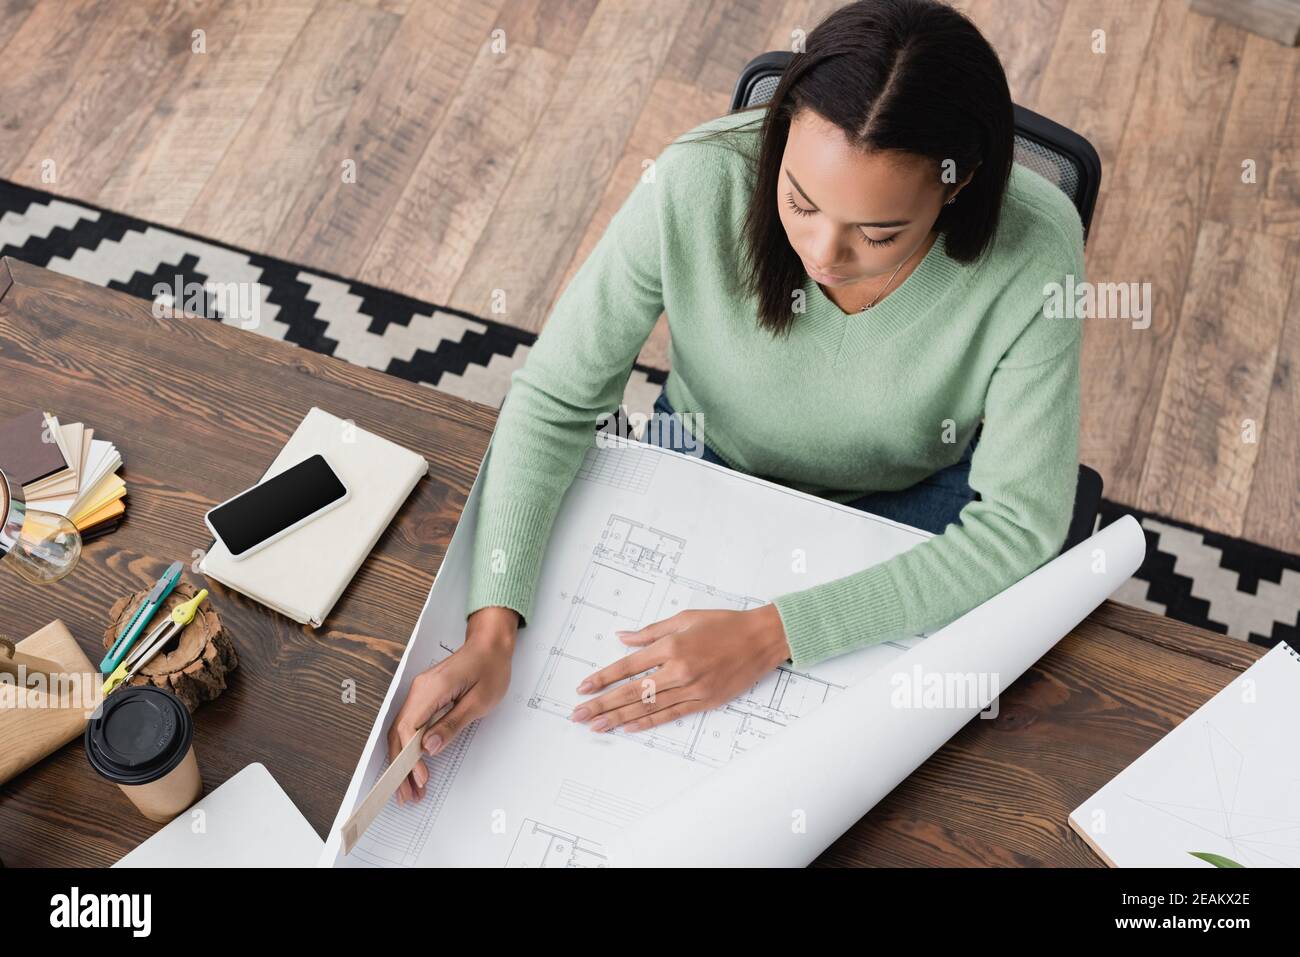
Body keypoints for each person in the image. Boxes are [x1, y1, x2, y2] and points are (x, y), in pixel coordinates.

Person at [389, 0, 1084, 804]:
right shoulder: (693, 179)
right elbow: (554, 398)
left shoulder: (1037, 250)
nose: (824, 254)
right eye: (801, 201)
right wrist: (491, 624)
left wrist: (772, 634)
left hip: (910, 495)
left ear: (956, 190)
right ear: (781, 132)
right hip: (702, 450)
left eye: (881, 232)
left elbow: (1022, 525)